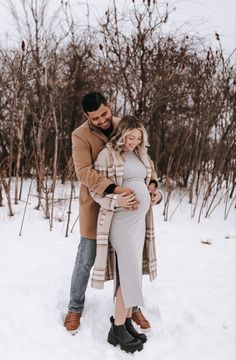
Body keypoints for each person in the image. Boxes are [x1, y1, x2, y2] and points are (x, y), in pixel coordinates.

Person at [64, 92, 160, 334]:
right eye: (95, 118)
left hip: (128, 212)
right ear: (87, 117)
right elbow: (84, 172)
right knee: (86, 258)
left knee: (129, 259)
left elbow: (146, 161)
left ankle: (132, 307)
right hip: (96, 205)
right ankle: (75, 308)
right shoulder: (80, 136)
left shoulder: (123, 125)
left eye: (104, 114)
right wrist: (117, 190)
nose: (102, 120)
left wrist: (153, 186)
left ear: (109, 106)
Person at [90, 115, 162, 353]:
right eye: (130, 137)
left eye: (138, 137)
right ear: (121, 134)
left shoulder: (141, 153)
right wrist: (116, 199)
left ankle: (125, 323)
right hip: (120, 222)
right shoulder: (107, 155)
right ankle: (118, 327)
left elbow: (151, 179)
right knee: (129, 274)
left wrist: (154, 194)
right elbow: (96, 190)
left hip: (139, 222)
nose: (133, 142)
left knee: (131, 274)